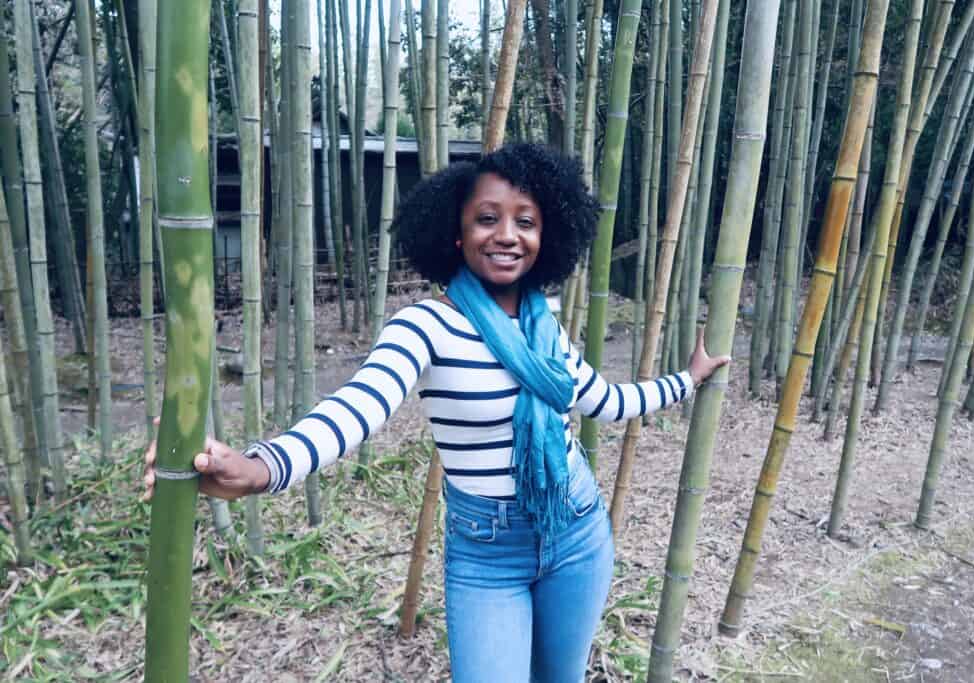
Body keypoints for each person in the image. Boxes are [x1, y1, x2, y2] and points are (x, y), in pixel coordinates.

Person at [143, 143, 730, 682]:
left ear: (546, 237)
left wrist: (687, 379)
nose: (507, 235)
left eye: (525, 221)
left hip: (576, 529)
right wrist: (263, 467)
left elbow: (604, 399)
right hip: (486, 551)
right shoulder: (427, 325)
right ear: (456, 232)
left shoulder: (543, 326)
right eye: (487, 218)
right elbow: (358, 408)